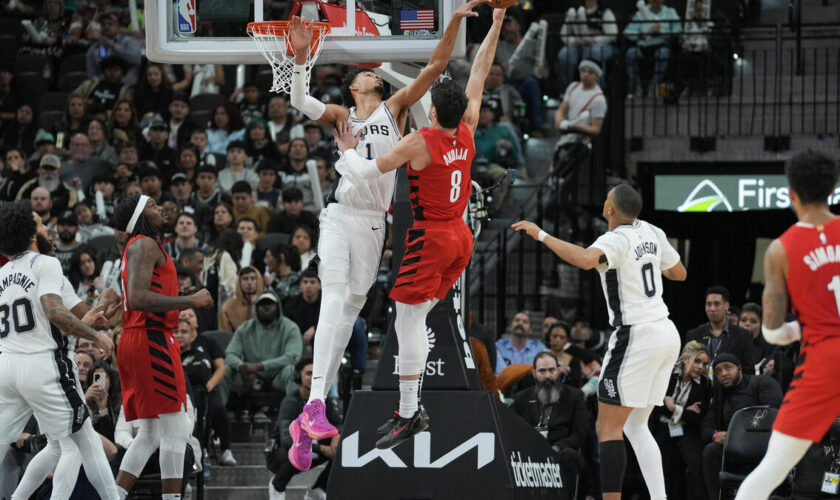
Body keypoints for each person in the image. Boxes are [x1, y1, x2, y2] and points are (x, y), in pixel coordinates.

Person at [286, 0, 487, 462]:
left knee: (349, 314)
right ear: (355, 86)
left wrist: (452, 24)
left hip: (375, 225)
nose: (374, 74)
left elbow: (437, 66)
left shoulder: (396, 109)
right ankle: (316, 402)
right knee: (334, 298)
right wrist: (300, 59)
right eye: (366, 74)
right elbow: (299, 101)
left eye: (375, 74)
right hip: (340, 214)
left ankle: (307, 415)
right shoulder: (341, 116)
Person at [330, 6, 505, 451]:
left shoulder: (420, 141)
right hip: (460, 239)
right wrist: (497, 20)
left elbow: (369, 172)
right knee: (418, 317)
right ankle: (409, 411)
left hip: (432, 238)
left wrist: (345, 151)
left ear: (431, 111)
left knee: (406, 320)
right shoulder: (467, 128)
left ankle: (409, 412)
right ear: (462, 109)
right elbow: (480, 70)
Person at [512, 183, 687, 500]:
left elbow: (583, 259)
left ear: (610, 209)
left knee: (607, 428)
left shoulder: (614, 240)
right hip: (666, 331)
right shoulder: (651, 231)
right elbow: (679, 273)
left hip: (636, 335)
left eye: (606, 199)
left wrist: (540, 235)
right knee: (636, 426)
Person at [735, 151, 840, 500]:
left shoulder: (780, 250)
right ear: (833, 188)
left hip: (824, 361)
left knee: (773, 467)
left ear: (790, 192)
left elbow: (773, 332)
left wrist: (801, 329)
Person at [0, 201, 119, 500]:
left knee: (57, 445)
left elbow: (82, 315)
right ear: (29, 233)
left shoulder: (4, 274)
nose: (47, 228)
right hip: (44, 368)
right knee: (85, 442)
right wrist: (97, 337)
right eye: (40, 224)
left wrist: (104, 302)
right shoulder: (46, 265)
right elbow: (55, 314)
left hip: (8, 368)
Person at [111, 193, 213, 499]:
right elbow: (140, 298)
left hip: (140, 337)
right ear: (141, 216)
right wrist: (190, 301)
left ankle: (114, 495)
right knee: (175, 430)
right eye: (153, 205)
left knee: (151, 433)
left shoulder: (140, 246)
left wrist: (173, 292)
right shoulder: (145, 243)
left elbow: (145, 292)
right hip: (150, 337)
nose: (161, 207)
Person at [702, 353, 783, 500]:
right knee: (711, 451)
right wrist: (716, 435)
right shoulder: (720, 395)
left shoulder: (761, 383)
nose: (723, 374)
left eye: (728, 368)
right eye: (718, 371)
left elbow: (775, 415)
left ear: (739, 368)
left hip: (763, 446)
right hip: (733, 450)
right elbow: (706, 428)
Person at [511, 351, 587, 487]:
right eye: (542, 371)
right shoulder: (521, 398)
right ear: (534, 374)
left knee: (570, 455)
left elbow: (579, 435)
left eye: (551, 370)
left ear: (558, 371)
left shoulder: (574, 396)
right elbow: (511, 431)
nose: (547, 376)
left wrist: (556, 448)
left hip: (560, 453)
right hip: (528, 454)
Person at [268, 357, 339, 499]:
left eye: (316, 374)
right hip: (281, 453)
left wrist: (336, 440)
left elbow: (338, 424)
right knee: (296, 451)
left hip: (312, 449)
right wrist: (323, 449)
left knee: (342, 450)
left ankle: (318, 489)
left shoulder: (325, 401)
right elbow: (286, 441)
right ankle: (277, 486)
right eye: (308, 373)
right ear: (298, 376)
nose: (312, 378)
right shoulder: (290, 402)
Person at [220, 289, 303, 408]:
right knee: (225, 370)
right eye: (262, 305)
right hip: (249, 377)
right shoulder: (245, 328)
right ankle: (218, 415)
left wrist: (260, 366)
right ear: (256, 308)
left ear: (278, 306)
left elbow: (293, 357)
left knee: (290, 370)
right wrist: (242, 367)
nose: (266, 308)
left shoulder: (290, 327)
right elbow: (230, 354)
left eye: (270, 304)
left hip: (277, 377)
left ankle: (294, 415)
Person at [651, 341, 711, 500]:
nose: (700, 367)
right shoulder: (667, 374)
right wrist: (685, 410)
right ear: (685, 358)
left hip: (688, 430)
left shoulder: (705, 384)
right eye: (697, 361)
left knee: (693, 466)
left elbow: (698, 417)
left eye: (704, 364)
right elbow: (657, 407)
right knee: (664, 469)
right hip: (663, 427)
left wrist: (674, 408)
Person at [173, 318, 236, 466]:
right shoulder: (169, 353)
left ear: (192, 335)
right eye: (176, 331)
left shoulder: (200, 351)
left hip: (202, 394)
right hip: (176, 397)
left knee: (217, 408)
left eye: (184, 332)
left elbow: (203, 373)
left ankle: (225, 449)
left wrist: (180, 371)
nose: (180, 335)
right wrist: (190, 371)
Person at [686, 286, 757, 374]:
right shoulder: (694, 335)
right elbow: (687, 367)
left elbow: (749, 373)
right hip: (701, 386)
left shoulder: (743, 336)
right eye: (708, 304)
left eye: (716, 304)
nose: (712, 309)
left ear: (726, 306)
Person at [623, 0, 681, 98]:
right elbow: (627, 32)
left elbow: (678, 29)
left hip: (661, 45)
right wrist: (639, 35)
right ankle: (635, 88)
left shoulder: (671, 12)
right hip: (643, 46)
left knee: (663, 54)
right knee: (630, 53)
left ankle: (654, 87)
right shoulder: (640, 13)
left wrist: (662, 32)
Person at [557, 0, 618, 93]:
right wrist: (574, 41)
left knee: (592, 52)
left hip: (601, 45)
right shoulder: (574, 13)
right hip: (578, 45)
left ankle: (595, 90)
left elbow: (612, 35)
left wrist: (595, 40)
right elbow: (564, 34)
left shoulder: (605, 12)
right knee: (565, 54)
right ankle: (566, 91)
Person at [553, 60, 607, 153]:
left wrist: (574, 126)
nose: (586, 75)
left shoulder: (598, 99)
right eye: (583, 71)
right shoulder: (573, 87)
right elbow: (561, 109)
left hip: (583, 141)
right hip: (568, 136)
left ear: (597, 76)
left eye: (590, 72)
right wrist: (558, 120)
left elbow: (596, 129)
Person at [282, 269, 321, 352]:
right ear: (300, 285)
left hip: (322, 341)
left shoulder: (327, 303)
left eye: (312, 282)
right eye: (305, 282)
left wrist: (315, 328)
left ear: (319, 285)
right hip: (297, 344)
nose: (308, 285)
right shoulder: (291, 305)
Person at [495, 311, 545, 375]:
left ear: (530, 330)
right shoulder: (498, 347)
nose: (520, 323)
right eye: (517, 320)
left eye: (525, 322)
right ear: (510, 326)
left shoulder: (539, 349)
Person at [219, 266, 263, 333]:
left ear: (258, 281)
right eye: (245, 279)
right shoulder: (227, 307)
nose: (249, 282)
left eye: (253, 278)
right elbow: (224, 336)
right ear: (239, 282)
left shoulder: (266, 303)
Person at [543, 321, 583, 387]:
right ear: (549, 337)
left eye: (562, 337)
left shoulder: (573, 361)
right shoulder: (541, 357)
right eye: (554, 336)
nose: (557, 340)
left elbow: (576, 385)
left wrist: (566, 376)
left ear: (566, 340)